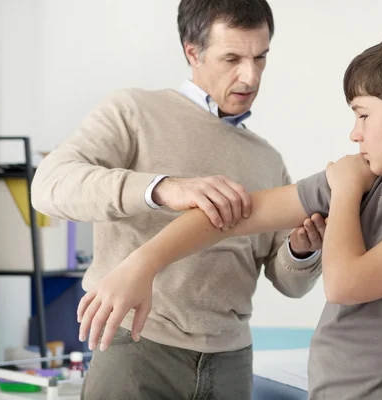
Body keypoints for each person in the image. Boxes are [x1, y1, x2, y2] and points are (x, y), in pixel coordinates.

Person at [77, 30, 382, 399]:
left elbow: (345, 284)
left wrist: (344, 193)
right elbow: (234, 215)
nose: (353, 133)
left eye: (362, 115)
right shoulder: (367, 175)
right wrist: (141, 264)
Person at [31, 1, 325, 399]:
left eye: (260, 57)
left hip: (231, 361)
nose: (250, 75)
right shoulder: (132, 111)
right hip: (137, 347)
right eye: (232, 58)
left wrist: (301, 251)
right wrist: (163, 188)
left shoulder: (267, 158)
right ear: (193, 52)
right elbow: (49, 186)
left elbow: (288, 283)